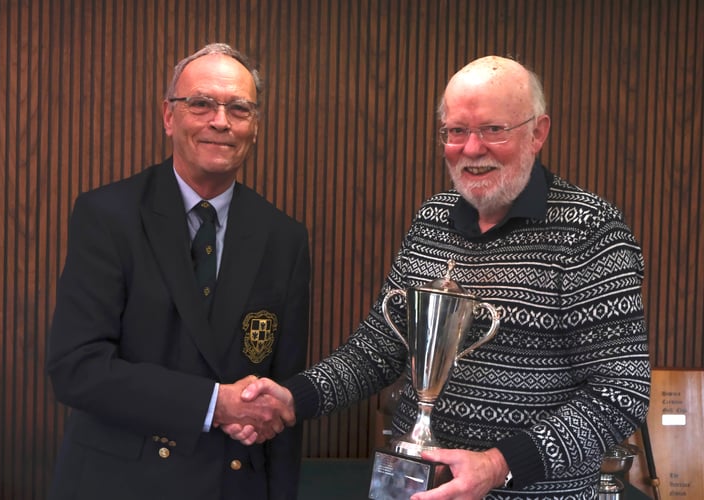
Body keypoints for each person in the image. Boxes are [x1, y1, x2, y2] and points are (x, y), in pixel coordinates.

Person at [229, 55, 651, 499]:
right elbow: (379, 351)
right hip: (413, 485)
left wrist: (498, 465)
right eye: (456, 131)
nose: (472, 148)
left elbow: (620, 393)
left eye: (494, 129)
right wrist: (293, 398)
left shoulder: (590, 229)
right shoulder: (432, 220)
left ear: (537, 132)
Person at [47, 43, 310, 500]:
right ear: (169, 116)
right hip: (121, 484)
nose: (221, 121)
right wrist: (214, 404)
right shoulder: (107, 215)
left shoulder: (283, 237)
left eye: (239, 109)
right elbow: (77, 368)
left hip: (232, 485)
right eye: (201, 104)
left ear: (255, 127)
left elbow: (279, 400)